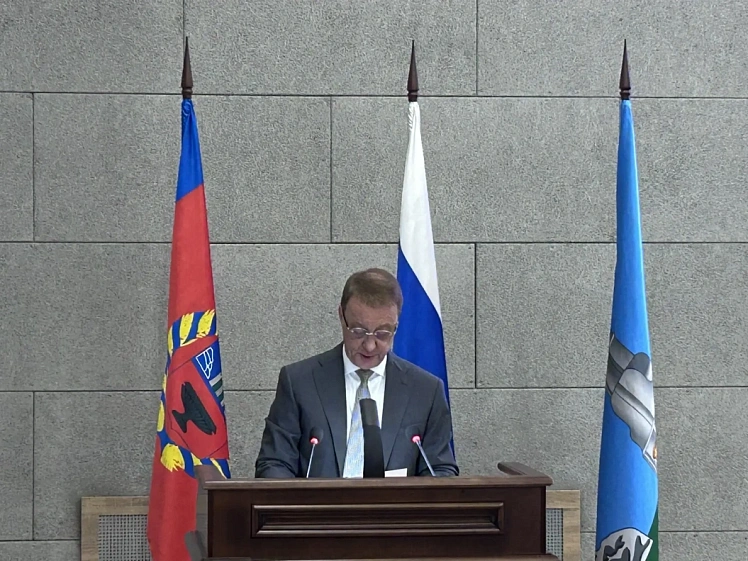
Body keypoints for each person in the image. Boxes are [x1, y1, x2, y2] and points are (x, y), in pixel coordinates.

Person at [254, 267, 458, 478]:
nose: (369, 345)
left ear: (396, 326)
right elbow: (274, 464)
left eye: (382, 333)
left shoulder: (426, 390)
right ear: (341, 316)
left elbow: (440, 469)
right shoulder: (299, 382)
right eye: (358, 331)